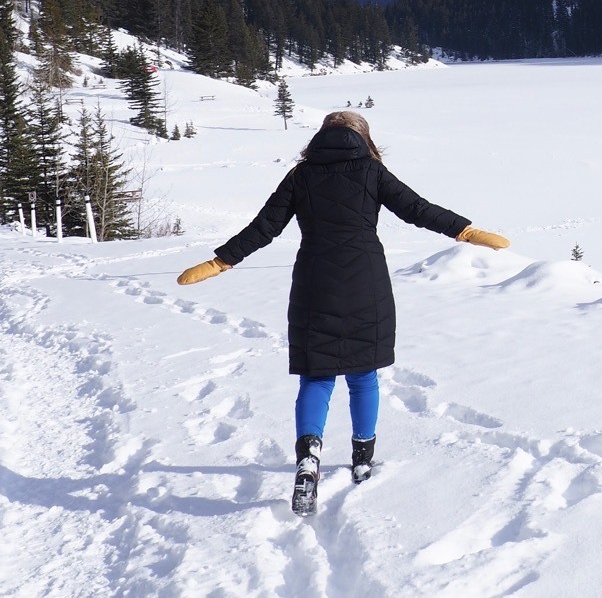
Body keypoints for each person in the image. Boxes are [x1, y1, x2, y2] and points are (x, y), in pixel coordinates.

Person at [175, 110, 509, 515]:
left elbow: (264, 227)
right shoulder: (371, 171)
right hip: (365, 281)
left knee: (317, 376)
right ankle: (363, 460)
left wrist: (221, 262)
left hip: (314, 281)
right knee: (363, 375)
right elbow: (417, 209)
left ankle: (308, 458)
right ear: (364, 139)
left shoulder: (301, 176)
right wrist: (466, 231)